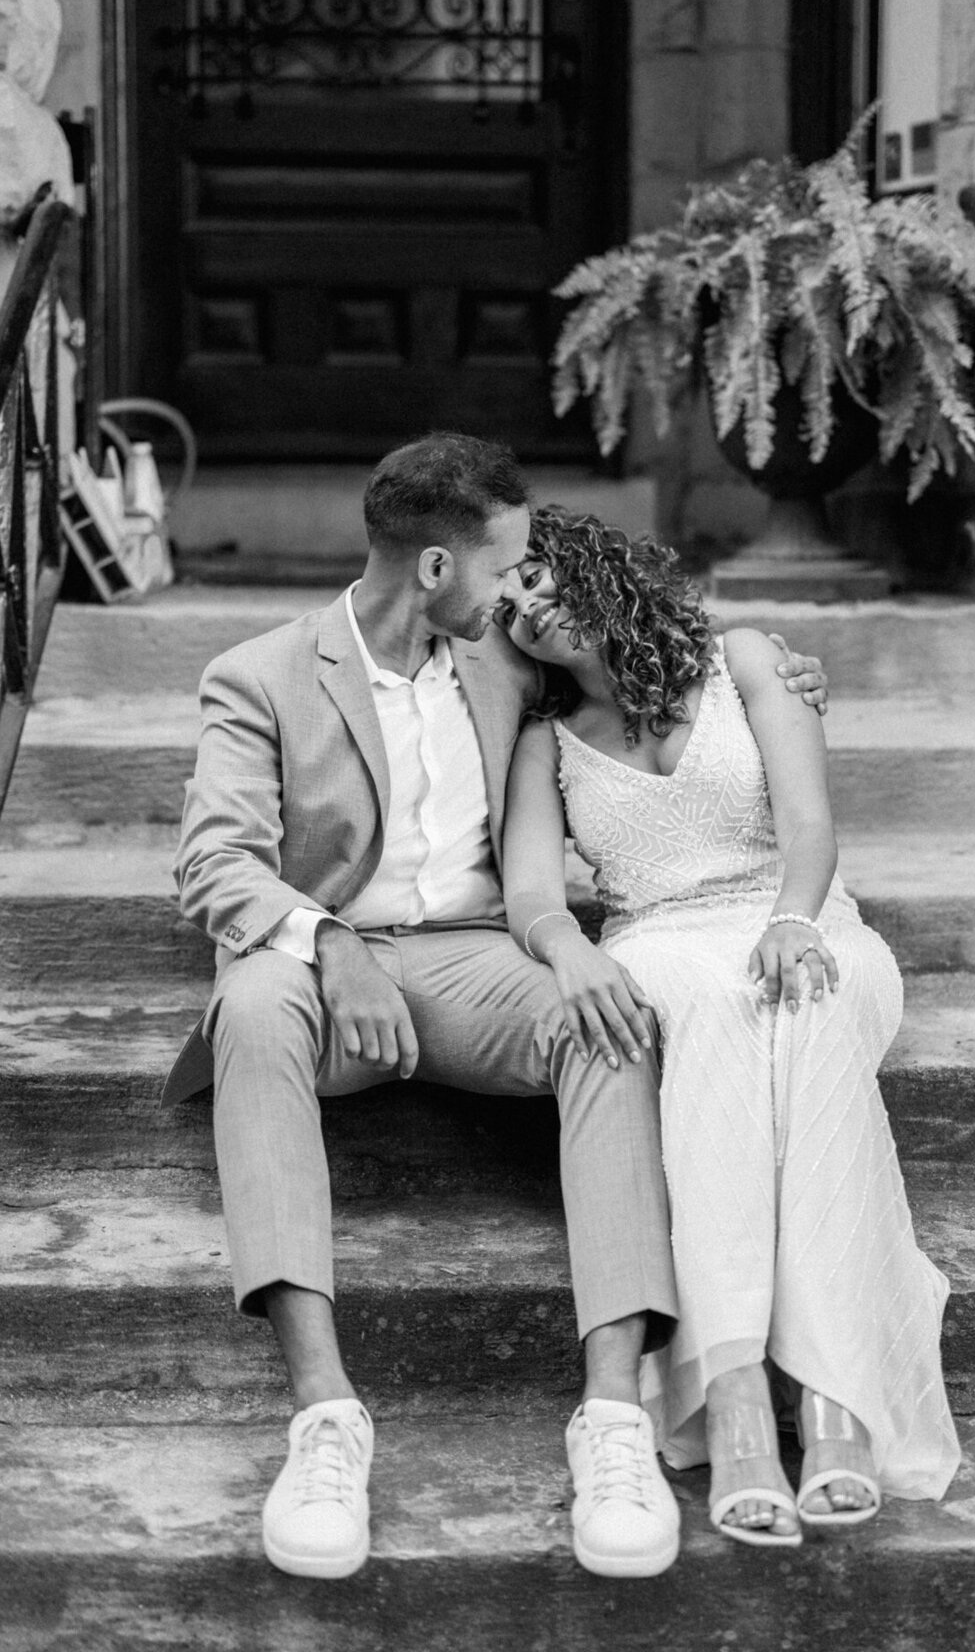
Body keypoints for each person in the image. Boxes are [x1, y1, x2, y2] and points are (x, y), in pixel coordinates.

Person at [162, 433, 829, 1581]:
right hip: (321, 966)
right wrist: (329, 943)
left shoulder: (507, 662)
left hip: (475, 960)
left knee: (607, 1017)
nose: (524, 592)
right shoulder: (259, 675)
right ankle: (326, 1419)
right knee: (254, 1005)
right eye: (506, 567)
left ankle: (611, 1418)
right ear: (433, 568)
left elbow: (660, 656)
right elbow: (216, 868)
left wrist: (781, 668)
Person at [500, 506, 961, 1548]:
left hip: (802, 915)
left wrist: (794, 923)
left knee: (813, 997)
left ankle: (828, 1396)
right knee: (710, 1006)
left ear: (594, 565)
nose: (530, 610)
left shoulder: (747, 661)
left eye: (538, 578)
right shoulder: (546, 740)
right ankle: (744, 1393)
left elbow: (810, 827)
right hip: (658, 940)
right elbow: (532, 888)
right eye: (511, 608)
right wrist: (567, 949)